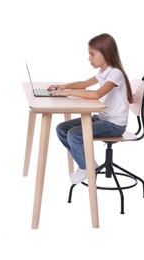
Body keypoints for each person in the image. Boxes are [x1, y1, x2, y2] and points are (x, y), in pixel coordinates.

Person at [48, 33, 133, 184]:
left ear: (105, 53)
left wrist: (66, 93)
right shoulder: (104, 72)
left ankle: (85, 167)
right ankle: (88, 163)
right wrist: (63, 86)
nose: (89, 58)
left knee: (74, 134)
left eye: (92, 54)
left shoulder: (115, 73)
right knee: (62, 129)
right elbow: (83, 84)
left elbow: (96, 94)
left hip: (114, 125)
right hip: (103, 118)